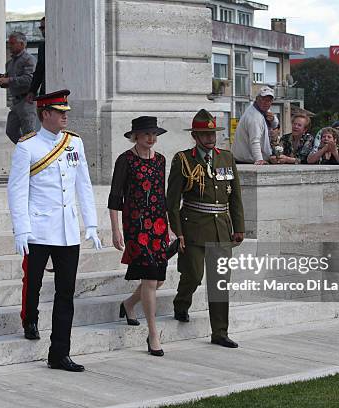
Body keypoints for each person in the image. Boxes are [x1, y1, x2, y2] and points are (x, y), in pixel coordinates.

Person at [7, 89, 101, 372]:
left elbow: (83, 186)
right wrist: (21, 230)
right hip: (37, 229)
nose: (65, 116)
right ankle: (30, 318)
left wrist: (92, 224)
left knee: (66, 294)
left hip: (67, 231)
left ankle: (59, 352)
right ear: (45, 114)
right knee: (33, 283)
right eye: (60, 112)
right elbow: (17, 190)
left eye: (66, 112)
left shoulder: (74, 144)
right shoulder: (27, 147)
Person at [167, 109, 245, 348]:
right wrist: (177, 231)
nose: (210, 138)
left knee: (220, 281)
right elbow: (172, 201)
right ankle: (181, 303)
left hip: (221, 227)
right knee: (193, 275)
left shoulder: (226, 158)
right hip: (194, 226)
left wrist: (239, 226)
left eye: (212, 133)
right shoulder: (183, 159)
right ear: (195, 136)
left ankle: (219, 332)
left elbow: (235, 196)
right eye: (204, 134)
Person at [108, 116, 170, 357]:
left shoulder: (161, 160)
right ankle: (153, 334)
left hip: (158, 226)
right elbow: (115, 198)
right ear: (136, 136)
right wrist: (115, 230)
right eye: (146, 134)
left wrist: (169, 225)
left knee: (157, 280)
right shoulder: (125, 160)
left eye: (154, 134)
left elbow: (161, 194)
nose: (151, 138)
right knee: (150, 280)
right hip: (135, 227)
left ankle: (129, 304)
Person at [0, 31, 37, 144]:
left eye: (13, 43)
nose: (10, 46)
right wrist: (3, 81)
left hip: (27, 101)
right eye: (9, 43)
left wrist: (8, 80)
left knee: (29, 133)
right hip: (15, 102)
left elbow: (30, 80)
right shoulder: (9, 63)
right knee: (11, 131)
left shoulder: (29, 59)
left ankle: (33, 157)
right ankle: (24, 150)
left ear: (22, 44)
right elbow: (10, 81)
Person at [232, 86, 275, 164]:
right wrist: (259, 159)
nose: (266, 102)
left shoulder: (262, 109)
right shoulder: (254, 116)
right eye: (263, 99)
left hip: (246, 160)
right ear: (257, 99)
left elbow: (275, 125)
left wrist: (273, 119)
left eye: (269, 100)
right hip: (246, 161)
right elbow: (255, 140)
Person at [26, 17, 46, 103]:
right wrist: (32, 91)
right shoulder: (42, 46)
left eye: (44, 27)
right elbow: (39, 70)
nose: (43, 31)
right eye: (41, 28)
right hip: (45, 93)